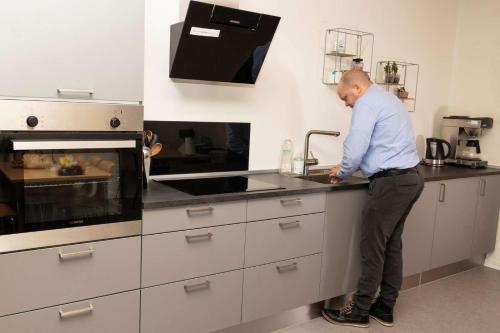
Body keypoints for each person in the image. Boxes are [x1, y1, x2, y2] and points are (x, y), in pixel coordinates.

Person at [322, 69, 424, 328]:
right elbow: (379, 147)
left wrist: (343, 171)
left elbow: (356, 147)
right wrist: (346, 166)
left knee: (373, 248)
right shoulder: (388, 98)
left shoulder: (366, 103)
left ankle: (359, 310)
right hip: (411, 178)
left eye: (346, 98)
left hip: (392, 183)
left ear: (356, 88)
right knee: (391, 246)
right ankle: (385, 308)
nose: (346, 104)